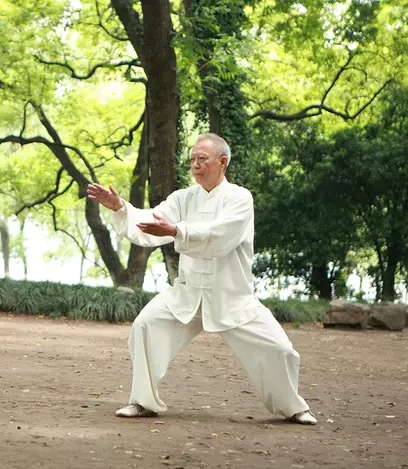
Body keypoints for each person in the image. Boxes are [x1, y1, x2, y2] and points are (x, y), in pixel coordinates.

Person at [86, 133, 317, 425]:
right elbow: (151, 222)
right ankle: (142, 402)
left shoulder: (240, 198)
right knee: (145, 325)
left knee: (280, 349)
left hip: (231, 297)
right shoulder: (183, 198)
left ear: (222, 162)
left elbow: (221, 236)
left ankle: (293, 407)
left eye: (202, 159)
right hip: (187, 293)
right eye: (193, 159)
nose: (195, 164)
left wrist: (177, 231)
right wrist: (120, 207)